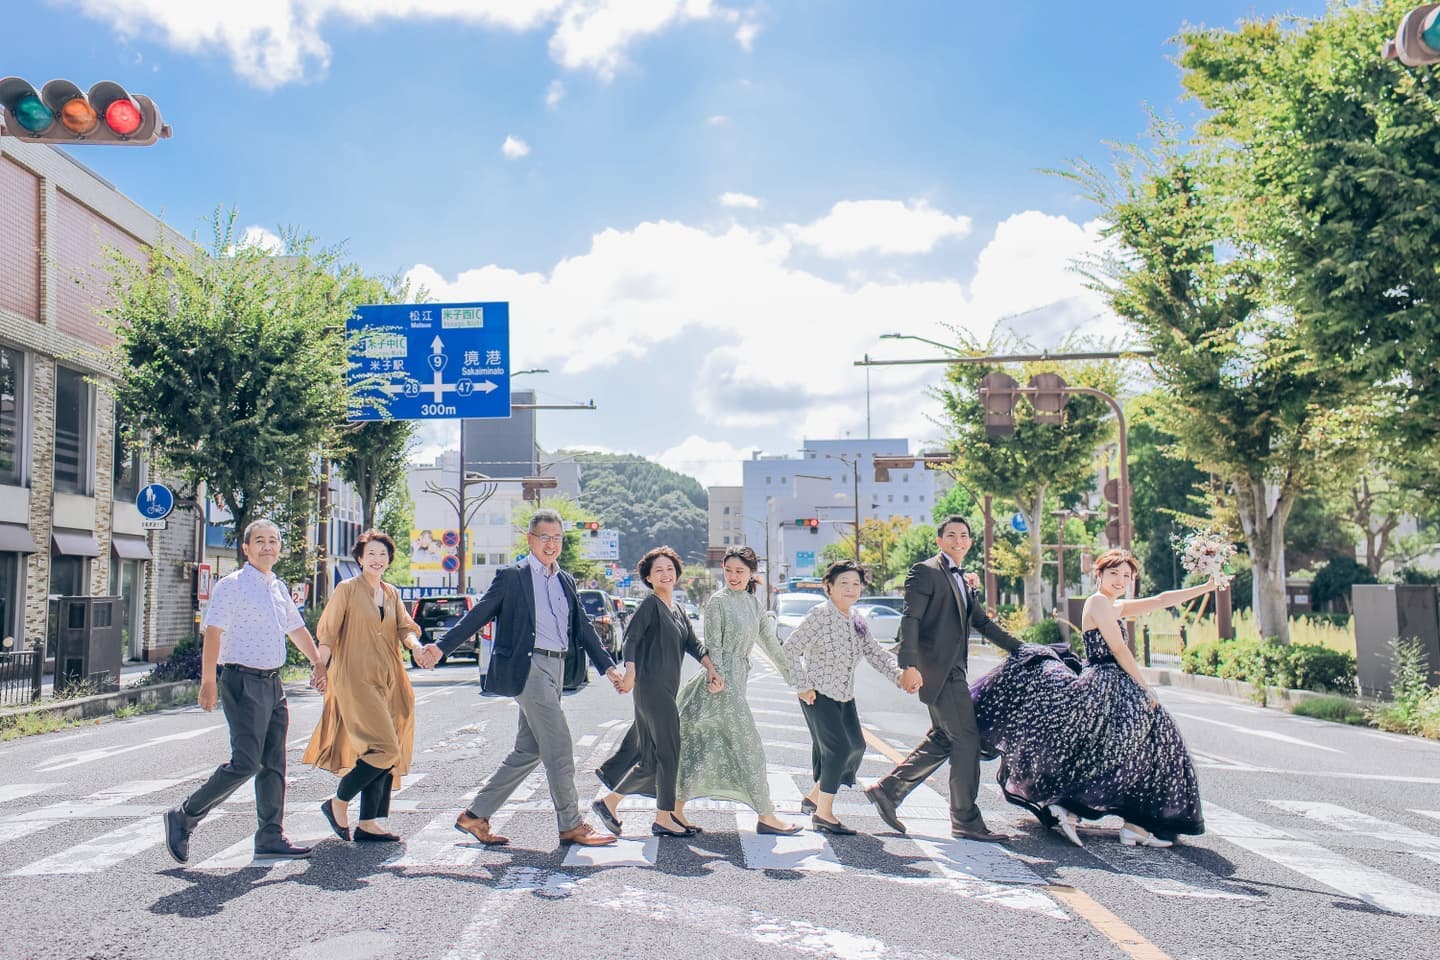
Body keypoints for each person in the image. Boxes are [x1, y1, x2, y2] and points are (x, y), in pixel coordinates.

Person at [970, 549, 1220, 848]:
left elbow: (1161, 600)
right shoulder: (1098, 601)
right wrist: (1146, 687)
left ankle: (1133, 824)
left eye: (1126, 575)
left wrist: (1206, 586)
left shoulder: (1113, 605)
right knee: (1135, 743)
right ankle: (1076, 806)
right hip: (1104, 682)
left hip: (1117, 684)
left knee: (1147, 742)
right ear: (1099, 574)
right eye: (1114, 573)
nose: (1120, 580)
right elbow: (1118, 648)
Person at [423, 509, 623, 848]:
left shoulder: (565, 580)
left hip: (558, 668)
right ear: (530, 539)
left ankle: (475, 815)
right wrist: (441, 648)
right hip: (529, 668)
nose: (551, 544)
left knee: (528, 750)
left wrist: (609, 666)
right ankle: (571, 824)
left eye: (557, 538)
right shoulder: (512, 576)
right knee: (559, 745)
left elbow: (583, 627)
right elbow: (479, 614)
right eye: (544, 537)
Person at [163, 519, 328, 863]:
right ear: (246, 548)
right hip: (242, 680)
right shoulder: (232, 585)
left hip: (273, 683)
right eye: (260, 541)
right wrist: (208, 681)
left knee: (274, 763)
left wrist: (317, 662)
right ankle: (185, 815)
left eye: (273, 541)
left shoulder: (278, 587)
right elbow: (213, 632)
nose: (268, 546)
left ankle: (270, 835)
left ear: (279, 548)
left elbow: (296, 629)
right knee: (246, 762)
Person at [863, 516, 1023, 842]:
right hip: (939, 671)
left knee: (945, 738)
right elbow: (910, 619)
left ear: (970, 542)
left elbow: (981, 623)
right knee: (967, 740)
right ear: (939, 540)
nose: (957, 540)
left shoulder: (963, 578)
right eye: (951, 535)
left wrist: (1022, 649)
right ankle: (965, 819)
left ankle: (888, 791)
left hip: (955, 669)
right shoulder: (926, 571)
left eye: (963, 535)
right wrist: (908, 665)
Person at [668, 547, 801, 835]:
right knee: (748, 747)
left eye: (740, 571)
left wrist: (793, 677)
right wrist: (716, 677)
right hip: (719, 686)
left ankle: (675, 811)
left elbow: (770, 643)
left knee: (700, 748)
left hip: (737, 682)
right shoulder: (718, 601)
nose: (733, 576)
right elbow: (713, 646)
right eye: (728, 570)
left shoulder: (753, 604)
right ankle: (766, 815)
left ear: (752, 573)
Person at [305, 530, 426, 844]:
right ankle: (338, 801)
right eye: (370, 553)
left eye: (382, 554)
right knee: (386, 748)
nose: (377, 559)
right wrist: (320, 665)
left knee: (385, 747)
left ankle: (370, 822)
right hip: (355, 678)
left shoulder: (391, 593)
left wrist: (416, 647)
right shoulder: (347, 589)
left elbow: (405, 628)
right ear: (359, 558)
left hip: (390, 679)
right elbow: (328, 633)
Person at [595, 547, 724, 838]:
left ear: (677, 573)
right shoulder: (650, 605)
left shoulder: (676, 609)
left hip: (664, 689)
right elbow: (630, 640)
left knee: (653, 759)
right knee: (669, 753)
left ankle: (609, 803)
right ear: (649, 578)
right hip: (651, 689)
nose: (666, 574)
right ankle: (663, 817)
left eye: (669, 569)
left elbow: (693, 644)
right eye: (658, 571)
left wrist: (711, 669)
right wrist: (630, 672)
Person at [781, 560, 910, 835]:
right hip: (817, 694)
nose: (851, 588)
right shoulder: (820, 614)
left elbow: (875, 652)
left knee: (856, 747)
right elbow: (790, 649)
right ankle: (823, 815)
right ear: (828, 587)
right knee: (837, 750)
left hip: (844, 696)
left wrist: (899, 677)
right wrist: (801, 685)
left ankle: (814, 798)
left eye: (855, 584)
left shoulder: (857, 619)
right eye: (844, 583)